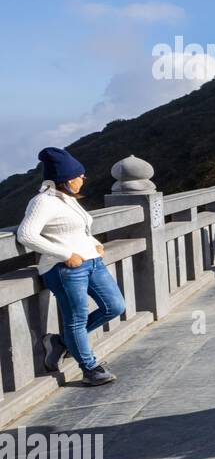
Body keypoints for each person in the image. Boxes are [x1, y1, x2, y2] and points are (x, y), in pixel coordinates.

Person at [17, 147, 126, 386]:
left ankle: (60, 343)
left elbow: (79, 229)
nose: (83, 179)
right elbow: (26, 235)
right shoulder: (42, 202)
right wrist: (65, 253)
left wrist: (95, 243)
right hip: (65, 268)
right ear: (66, 179)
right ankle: (90, 369)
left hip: (92, 262)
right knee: (76, 319)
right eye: (79, 175)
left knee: (115, 306)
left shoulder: (68, 200)